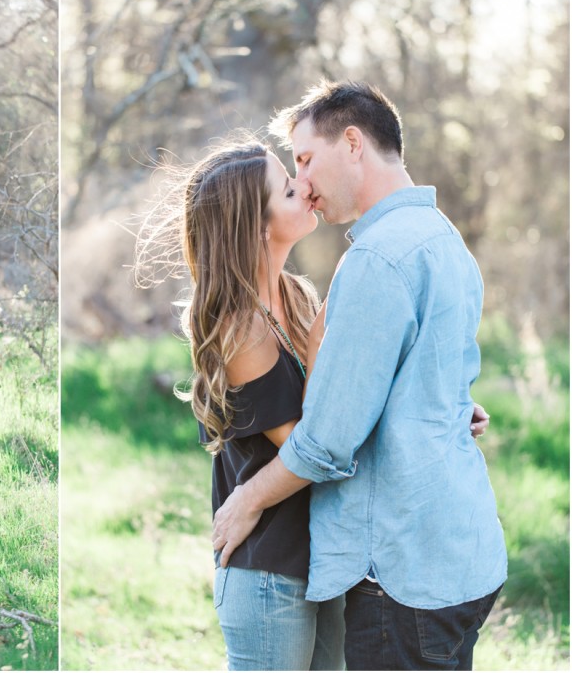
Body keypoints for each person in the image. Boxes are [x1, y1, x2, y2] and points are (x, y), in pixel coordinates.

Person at [212, 80, 506, 670]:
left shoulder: (376, 259)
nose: (304, 182)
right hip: (461, 549)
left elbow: (326, 440)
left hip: (403, 565)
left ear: (352, 143)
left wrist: (246, 498)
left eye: (305, 159)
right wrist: (440, 406)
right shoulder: (444, 240)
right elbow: (421, 373)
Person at [176, 139, 346, 670]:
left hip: (321, 560)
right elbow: (309, 448)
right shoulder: (239, 328)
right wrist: (319, 345)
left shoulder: (294, 297)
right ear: (255, 224)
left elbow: (350, 397)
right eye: (288, 189)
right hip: (269, 575)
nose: (306, 189)